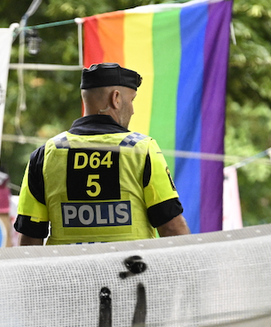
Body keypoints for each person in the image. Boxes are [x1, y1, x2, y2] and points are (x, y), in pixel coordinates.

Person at [14, 62, 189, 246]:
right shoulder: (142, 149)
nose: (132, 110)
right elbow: (172, 229)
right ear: (116, 98)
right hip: (132, 271)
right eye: (132, 101)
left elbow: (30, 238)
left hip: (67, 274)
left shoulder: (45, 155)